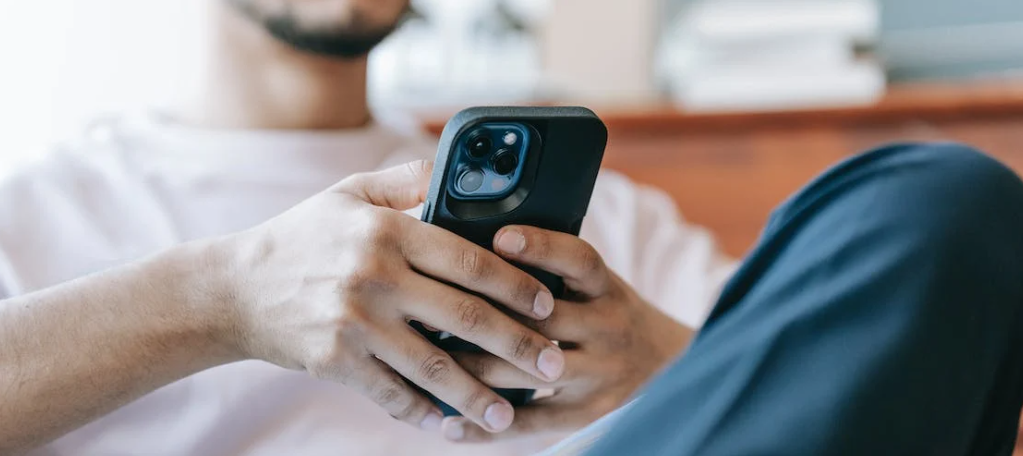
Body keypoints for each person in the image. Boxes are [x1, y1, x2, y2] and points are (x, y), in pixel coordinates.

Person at [0, 1, 735, 455]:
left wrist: (667, 361)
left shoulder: (606, 222)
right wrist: (220, 300)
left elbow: (834, 389)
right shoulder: (35, 217)